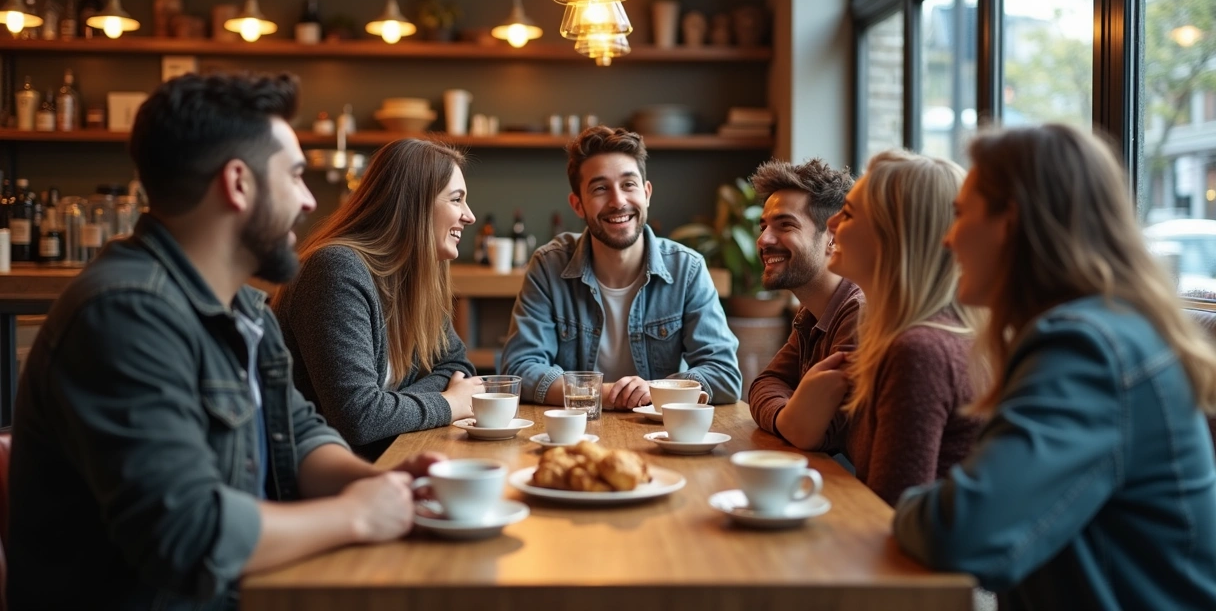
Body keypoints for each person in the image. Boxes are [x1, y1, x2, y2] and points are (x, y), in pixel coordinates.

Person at [7, 73, 441, 609]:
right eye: (296, 176)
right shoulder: (125, 314)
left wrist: (389, 484)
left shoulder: (242, 309)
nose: (309, 201)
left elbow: (299, 435)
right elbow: (186, 535)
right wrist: (359, 513)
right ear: (239, 184)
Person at [894, 125, 1216, 609]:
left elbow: (962, 532)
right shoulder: (1108, 329)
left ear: (1012, 222)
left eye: (961, 214)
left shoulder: (1086, 348)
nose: (948, 238)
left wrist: (909, 508)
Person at [776, 149, 983, 505]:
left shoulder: (919, 350)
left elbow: (889, 514)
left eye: (850, 213)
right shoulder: (892, 332)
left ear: (895, 236)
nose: (832, 223)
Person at [500, 125, 742, 410]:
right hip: (575, 432)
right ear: (578, 205)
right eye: (600, 188)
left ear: (647, 193)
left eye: (628, 184)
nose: (618, 201)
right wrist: (606, 394)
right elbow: (520, 368)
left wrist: (655, 389)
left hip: (660, 434)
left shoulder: (686, 269)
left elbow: (725, 374)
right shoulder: (549, 265)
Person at [272, 139, 483, 460]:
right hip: (321, 483)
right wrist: (449, 403)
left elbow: (457, 366)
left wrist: (390, 405)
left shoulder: (415, 279)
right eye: (457, 200)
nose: (469, 216)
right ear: (416, 203)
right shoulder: (336, 270)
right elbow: (359, 417)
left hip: (382, 460)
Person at [747, 158, 863, 436]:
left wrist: (791, 420)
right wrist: (787, 419)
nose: (763, 240)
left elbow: (820, 431)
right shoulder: (812, 312)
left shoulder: (859, 313)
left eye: (785, 225)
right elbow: (767, 382)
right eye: (764, 227)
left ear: (833, 237)